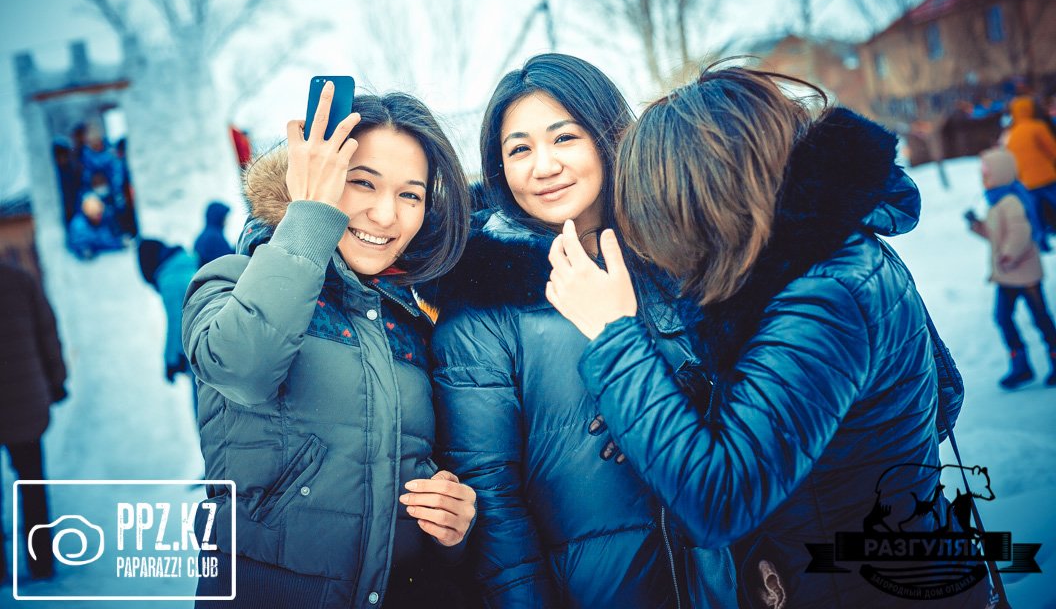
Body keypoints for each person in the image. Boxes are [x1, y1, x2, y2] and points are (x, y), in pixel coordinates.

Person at [545, 66, 994, 608]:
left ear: (707, 195)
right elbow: (932, 402)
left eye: (661, 214)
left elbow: (718, 502)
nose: (664, 243)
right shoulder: (824, 252)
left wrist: (614, 335)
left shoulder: (826, 294)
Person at [429, 53, 736, 608]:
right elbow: (492, 502)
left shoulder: (679, 254)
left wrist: (653, 404)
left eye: (564, 137)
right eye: (519, 149)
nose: (544, 166)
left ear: (607, 137)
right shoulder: (483, 303)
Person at [183, 84, 476, 609]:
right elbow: (242, 368)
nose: (386, 215)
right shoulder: (230, 281)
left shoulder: (415, 322)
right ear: (318, 176)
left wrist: (451, 527)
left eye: (410, 195)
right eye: (362, 182)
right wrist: (311, 214)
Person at [0, 263, 68, 583]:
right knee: (32, 484)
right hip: (25, 401)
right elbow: (47, 332)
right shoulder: (19, 279)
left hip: (23, 400)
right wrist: (57, 380)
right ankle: (41, 562)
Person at [967, 148, 1056, 388]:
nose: (983, 178)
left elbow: (1021, 232)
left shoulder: (1012, 200)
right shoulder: (996, 201)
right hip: (1007, 275)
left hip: (1025, 272)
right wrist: (977, 225)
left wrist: (1009, 254)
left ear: (1001, 172)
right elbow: (996, 235)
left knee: (1040, 317)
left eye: (987, 173)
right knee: (1003, 317)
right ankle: (1020, 364)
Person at [137, 239, 200, 413]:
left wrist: (170, 360)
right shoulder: (185, 263)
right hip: (210, 334)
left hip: (197, 346)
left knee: (203, 406)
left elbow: (176, 322)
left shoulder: (169, 279)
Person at [1003, 96, 1056, 231]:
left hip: (1026, 181)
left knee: (1036, 213)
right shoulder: (1037, 126)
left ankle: (1041, 238)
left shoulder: (1011, 133)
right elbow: (1053, 149)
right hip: (1046, 176)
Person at [67, 193, 126, 259]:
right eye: (94, 215)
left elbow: (108, 240)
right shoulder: (78, 225)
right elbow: (75, 244)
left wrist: (120, 242)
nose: (97, 217)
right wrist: (83, 250)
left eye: (99, 214)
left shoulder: (106, 218)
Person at [192, 201, 235, 268]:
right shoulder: (214, 238)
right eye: (225, 217)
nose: (227, 221)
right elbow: (226, 261)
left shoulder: (203, 236)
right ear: (218, 217)